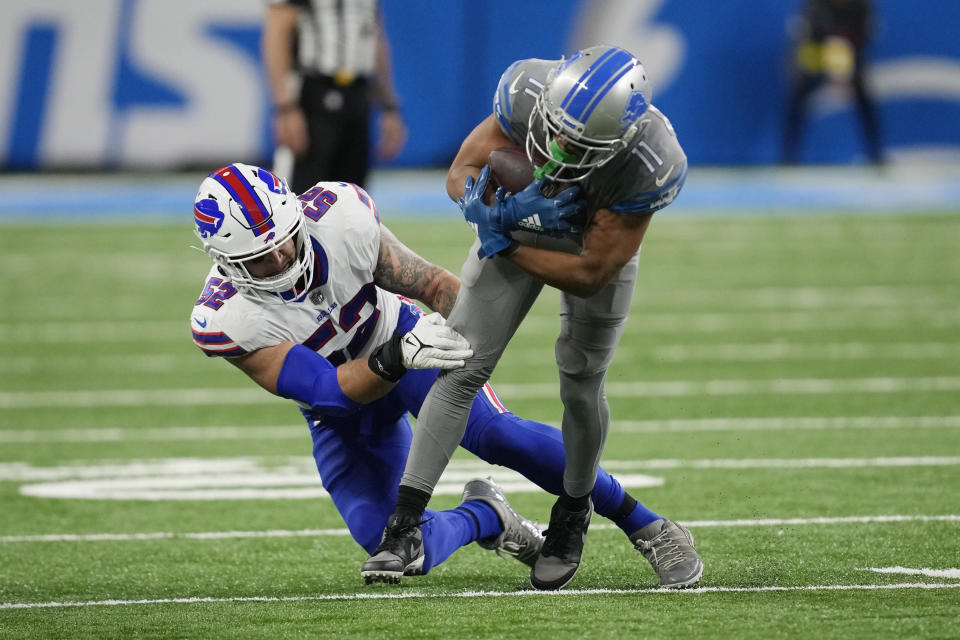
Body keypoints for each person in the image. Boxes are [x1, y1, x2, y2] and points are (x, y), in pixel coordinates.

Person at [190, 162, 699, 587]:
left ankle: (646, 524)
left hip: (412, 342)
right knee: (387, 541)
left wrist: (470, 344)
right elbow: (329, 392)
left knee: (497, 433)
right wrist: (397, 356)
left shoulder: (339, 217)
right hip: (350, 400)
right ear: (226, 263)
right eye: (260, 259)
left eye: (284, 241)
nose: (281, 258)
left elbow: (434, 285)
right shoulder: (227, 318)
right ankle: (487, 517)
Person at [365, 45, 704, 591]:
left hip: (587, 242)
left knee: (580, 382)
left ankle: (572, 514)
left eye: (578, 142)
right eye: (554, 128)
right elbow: (462, 171)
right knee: (460, 363)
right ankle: (403, 527)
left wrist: (503, 239)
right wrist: (486, 210)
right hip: (518, 223)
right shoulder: (526, 89)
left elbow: (591, 270)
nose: (559, 146)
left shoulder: (651, 159)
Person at [262, 0, 407, 193]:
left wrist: (389, 106)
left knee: (353, 199)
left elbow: (374, 36)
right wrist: (285, 107)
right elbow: (277, 31)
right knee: (299, 196)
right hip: (314, 92)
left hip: (358, 92)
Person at [781, 0, 884, 164]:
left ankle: (876, 155)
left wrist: (842, 69)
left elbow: (866, 35)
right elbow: (805, 39)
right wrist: (803, 64)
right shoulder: (815, 7)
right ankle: (787, 157)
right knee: (799, 94)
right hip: (816, 54)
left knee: (864, 99)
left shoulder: (860, 7)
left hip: (849, 56)